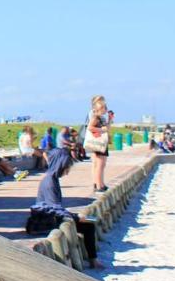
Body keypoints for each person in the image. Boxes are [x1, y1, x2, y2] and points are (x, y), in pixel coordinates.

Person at [26, 128, 100, 267]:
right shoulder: (49, 182)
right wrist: (77, 217)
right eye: (67, 168)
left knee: (87, 223)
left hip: (48, 216)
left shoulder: (51, 179)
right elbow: (54, 209)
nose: (67, 172)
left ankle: (91, 257)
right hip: (45, 221)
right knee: (88, 227)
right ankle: (93, 261)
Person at [85, 95, 113, 193]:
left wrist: (110, 119)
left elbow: (108, 128)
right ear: (100, 108)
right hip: (98, 142)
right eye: (105, 107)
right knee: (99, 165)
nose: (107, 109)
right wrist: (102, 129)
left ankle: (100, 183)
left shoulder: (101, 118)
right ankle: (98, 185)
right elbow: (90, 128)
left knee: (101, 164)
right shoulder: (95, 117)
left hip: (101, 143)